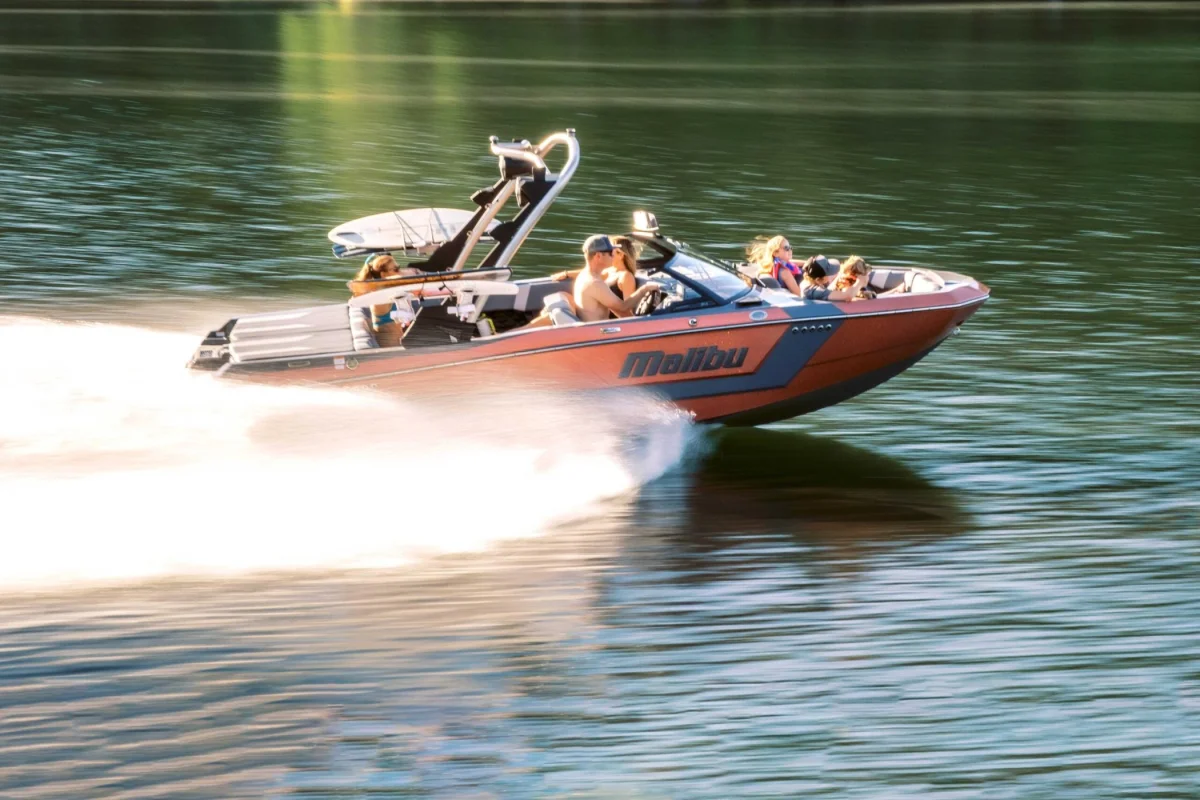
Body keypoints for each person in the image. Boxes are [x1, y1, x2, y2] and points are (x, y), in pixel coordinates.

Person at [522, 235, 659, 329]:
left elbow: (619, 308)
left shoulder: (586, 275)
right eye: (610, 253)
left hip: (594, 328)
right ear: (598, 256)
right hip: (597, 334)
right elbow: (623, 308)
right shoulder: (595, 282)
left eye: (614, 252)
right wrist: (645, 289)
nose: (612, 255)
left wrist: (566, 273)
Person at [353, 254, 420, 347]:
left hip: (402, 344)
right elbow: (401, 280)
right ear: (383, 274)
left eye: (399, 267)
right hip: (392, 349)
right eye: (396, 269)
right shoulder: (380, 293)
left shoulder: (389, 290)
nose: (399, 271)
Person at [549, 234, 640, 299]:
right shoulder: (611, 271)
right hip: (598, 310)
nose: (606, 254)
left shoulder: (626, 277)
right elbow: (590, 273)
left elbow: (628, 307)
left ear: (621, 255)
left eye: (609, 251)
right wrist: (566, 273)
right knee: (563, 298)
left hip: (609, 318)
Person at [798, 255, 867, 301]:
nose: (832, 274)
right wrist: (861, 280)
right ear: (818, 279)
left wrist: (840, 276)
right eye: (829, 273)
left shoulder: (810, 282)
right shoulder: (813, 291)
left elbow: (828, 291)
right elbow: (847, 296)